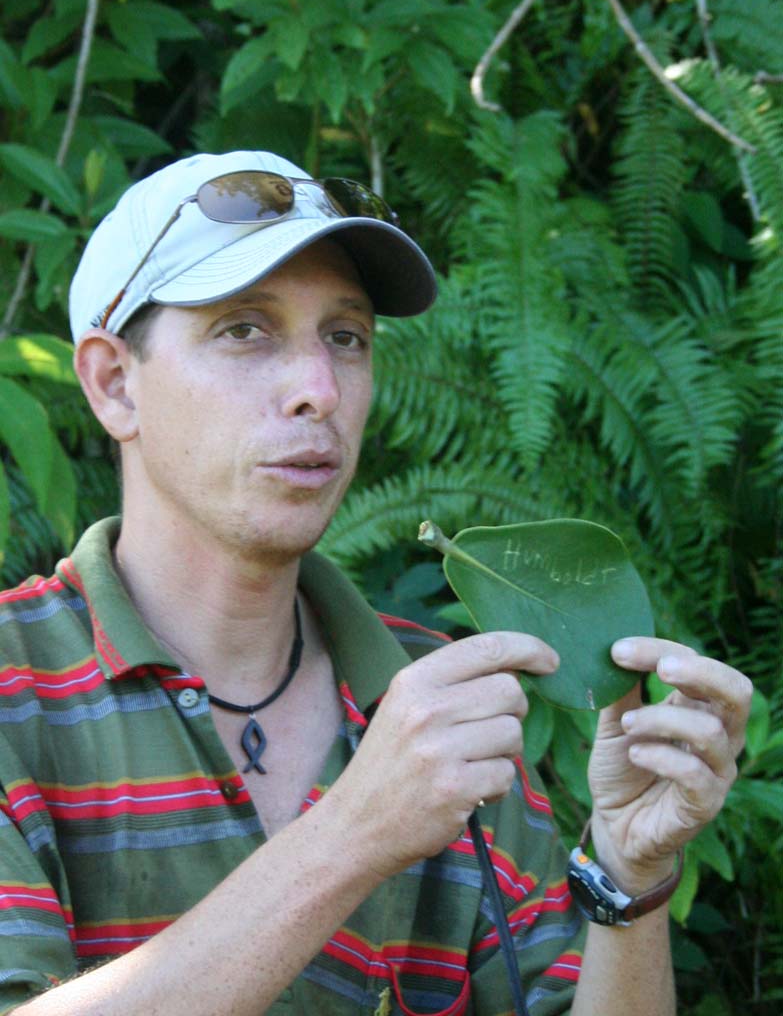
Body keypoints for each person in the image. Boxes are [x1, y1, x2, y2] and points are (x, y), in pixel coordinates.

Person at [0, 149, 751, 1016]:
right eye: (245, 329)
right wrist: (358, 831)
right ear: (112, 384)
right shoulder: (17, 686)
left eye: (345, 338)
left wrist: (628, 876)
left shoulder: (441, 706)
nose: (318, 389)